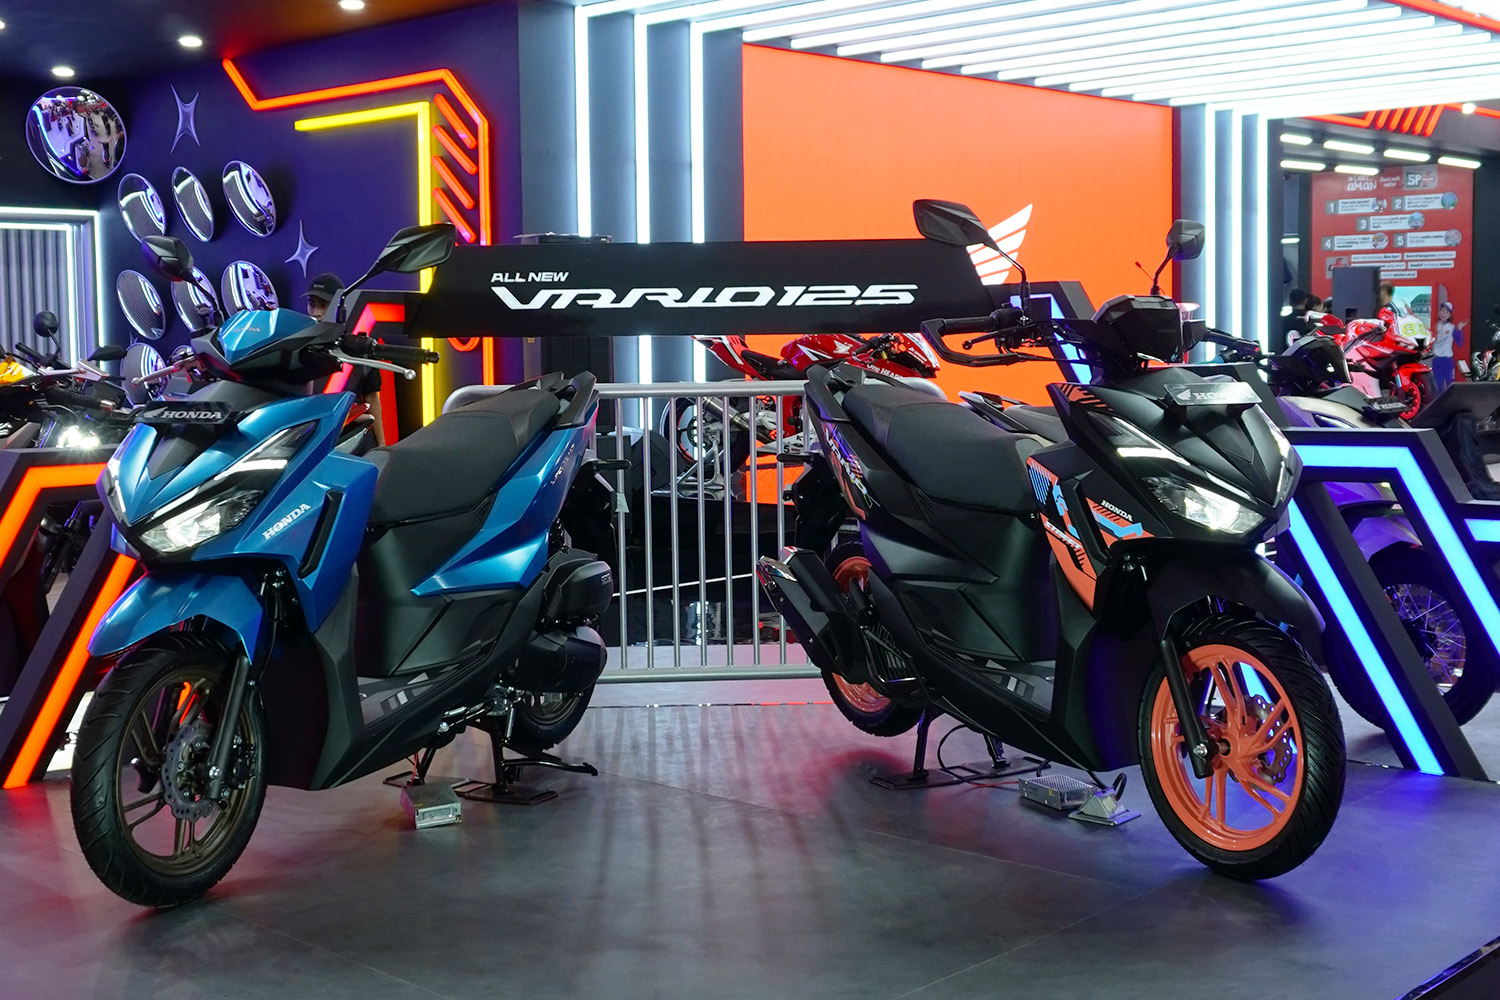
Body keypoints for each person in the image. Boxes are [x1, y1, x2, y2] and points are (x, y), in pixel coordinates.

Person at [305, 272, 387, 445]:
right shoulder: (298, 346)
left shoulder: (360, 346)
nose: (316, 312)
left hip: (351, 438)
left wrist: (381, 445)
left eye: (323, 305)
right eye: (312, 304)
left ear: (339, 306)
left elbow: (372, 396)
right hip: (309, 438)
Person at [1433, 301, 1465, 392]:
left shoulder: (1452, 327)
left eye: (1447, 312)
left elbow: (1460, 343)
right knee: (1438, 385)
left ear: (1450, 315)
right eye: (1442, 311)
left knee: (1450, 384)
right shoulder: (1434, 325)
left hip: (1448, 360)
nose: (1444, 314)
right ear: (1439, 312)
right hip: (1437, 360)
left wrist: (1459, 330)